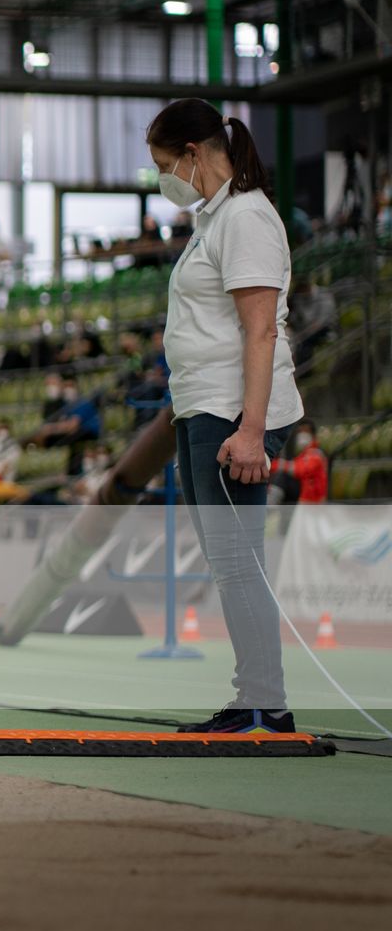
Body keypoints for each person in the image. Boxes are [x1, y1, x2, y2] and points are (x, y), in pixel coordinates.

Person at [146, 97, 304, 733]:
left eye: (163, 164)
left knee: (240, 561)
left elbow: (260, 330)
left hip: (233, 411)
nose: (162, 178)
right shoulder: (213, 221)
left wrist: (251, 428)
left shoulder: (244, 218)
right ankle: (259, 697)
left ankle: (263, 702)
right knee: (228, 561)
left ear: (191, 154)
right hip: (200, 405)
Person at [273, 420, 327, 505]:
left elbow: (300, 470)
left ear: (313, 435)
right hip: (304, 498)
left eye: (305, 431)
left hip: (314, 501)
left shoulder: (316, 454)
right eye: (300, 431)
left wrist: (272, 465)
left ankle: (269, 504)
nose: (302, 434)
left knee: (283, 477)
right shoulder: (303, 455)